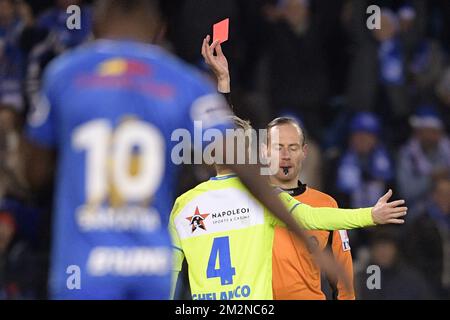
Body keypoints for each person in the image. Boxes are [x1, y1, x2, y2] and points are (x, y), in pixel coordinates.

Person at [22, 0, 352, 300]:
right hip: (149, 265)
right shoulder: (183, 81)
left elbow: (34, 174)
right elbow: (240, 161)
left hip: (85, 264)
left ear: (96, 22)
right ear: (160, 30)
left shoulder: (65, 74)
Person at [169, 115, 407, 300]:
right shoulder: (261, 198)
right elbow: (311, 217)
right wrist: (371, 215)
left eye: (292, 148)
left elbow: (168, 272)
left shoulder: (183, 204)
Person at [264, 117, 354, 300]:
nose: (285, 155)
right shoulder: (249, 203)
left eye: (293, 147)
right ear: (264, 152)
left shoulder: (326, 204)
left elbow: (343, 271)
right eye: (278, 147)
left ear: (304, 152)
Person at [403, 176, 450, 299]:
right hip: (429, 283)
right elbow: (412, 254)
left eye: (449, 194)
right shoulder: (420, 223)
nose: (446, 198)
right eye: (442, 193)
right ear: (434, 195)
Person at [397, 106, 450, 211]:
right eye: (427, 131)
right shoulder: (408, 154)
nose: (431, 136)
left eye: (434, 132)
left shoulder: (447, 148)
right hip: (420, 210)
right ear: (418, 133)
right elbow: (406, 192)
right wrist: (431, 179)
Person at [336, 112, 394, 209]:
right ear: (351, 137)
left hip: (381, 218)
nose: (362, 140)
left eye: (367, 136)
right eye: (358, 135)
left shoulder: (388, 159)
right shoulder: (337, 160)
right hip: (348, 217)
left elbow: (394, 191)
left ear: (376, 138)